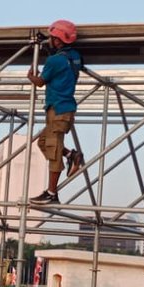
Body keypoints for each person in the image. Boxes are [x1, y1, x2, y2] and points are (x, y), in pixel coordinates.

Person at [27, 19, 84, 205]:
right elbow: (63, 67)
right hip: (65, 110)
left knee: (52, 148)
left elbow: (40, 82)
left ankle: (52, 193)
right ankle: (71, 156)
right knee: (43, 142)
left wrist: (30, 76)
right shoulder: (74, 56)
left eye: (52, 38)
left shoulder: (54, 61)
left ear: (58, 40)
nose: (49, 40)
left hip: (57, 109)